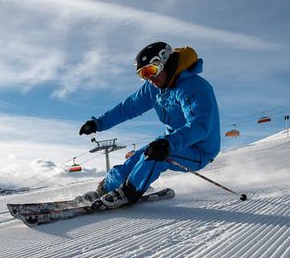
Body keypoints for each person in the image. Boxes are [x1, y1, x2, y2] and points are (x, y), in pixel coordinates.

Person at [78, 41, 221, 210]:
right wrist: (98, 123)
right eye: (143, 74)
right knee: (134, 160)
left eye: (151, 71)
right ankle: (104, 190)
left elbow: (200, 126)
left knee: (156, 156)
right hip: (169, 143)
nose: (149, 79)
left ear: (165, 63)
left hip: (199, 149)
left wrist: (168, 143)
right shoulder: (154, 88)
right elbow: (127, 108)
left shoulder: (193, 87)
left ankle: (128, 193)